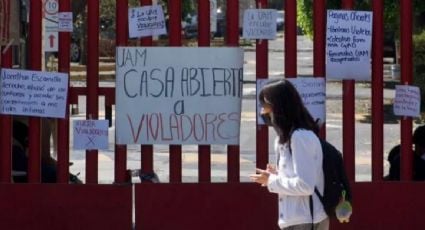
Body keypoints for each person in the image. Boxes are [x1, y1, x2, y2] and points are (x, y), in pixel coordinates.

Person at [250, 79, 328, 230]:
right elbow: (298, 176)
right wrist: (277, 175)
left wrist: (271, 181)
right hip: (295, 219)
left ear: (280, 107)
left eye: (266, 106)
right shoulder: (284, 139)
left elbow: (305, 185)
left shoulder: (300, 137)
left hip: (306, 220)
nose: (262, 112)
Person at [12, 118, 82, 183]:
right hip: (17, 163)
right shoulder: (43, 121)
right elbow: (44, 157)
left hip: (12, 161)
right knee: (60, 177)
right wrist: (63, 168)